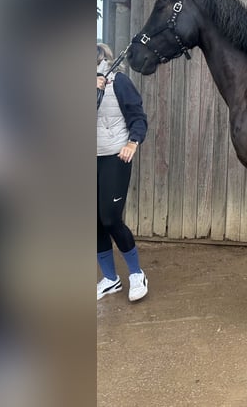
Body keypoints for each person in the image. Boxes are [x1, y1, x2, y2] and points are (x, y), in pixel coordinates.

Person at [96, 43, 149, 302]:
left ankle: (137, 274)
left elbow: (138, 117)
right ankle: (110, 279)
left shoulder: (118, 82)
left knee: (110, 218)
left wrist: (132, 142)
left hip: (114, 157)